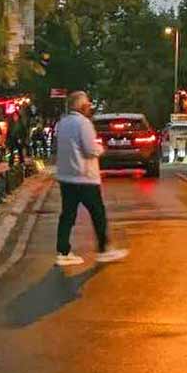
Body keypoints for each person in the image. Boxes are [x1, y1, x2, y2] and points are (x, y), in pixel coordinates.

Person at [53, 90, 127, 267]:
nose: (89, 108)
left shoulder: (62, 123)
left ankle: (63, 252)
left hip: (66, 176)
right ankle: (104, 249)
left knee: (67, 215)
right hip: (84, 177)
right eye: (87, 105)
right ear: (81, 106)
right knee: (97, 213)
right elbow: (89, 149)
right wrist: (100, 148)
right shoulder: (83, 123)